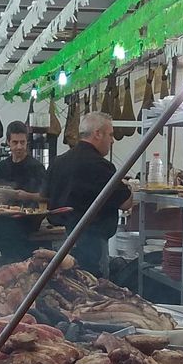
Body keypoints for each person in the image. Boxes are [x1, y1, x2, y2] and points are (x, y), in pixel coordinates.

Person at [44, 111, 128, 276]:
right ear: (97, 134)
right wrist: (128, 188)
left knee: (64, 286)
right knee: (93, 290)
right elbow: (126, 203)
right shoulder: (101, 166)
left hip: (59, 240)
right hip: (91, 244)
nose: (112, 140)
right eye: (110, 135)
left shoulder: (58, 162)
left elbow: (44, 195)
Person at [0, 121, 47, 199]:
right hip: (4, 210)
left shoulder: (36, 167)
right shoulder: (2, 166)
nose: (19, 146)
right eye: (15, 142)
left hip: (29, 210)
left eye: (22, 142)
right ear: (8, 142)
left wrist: (27, 196)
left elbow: (46, 197)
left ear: (27, 142)